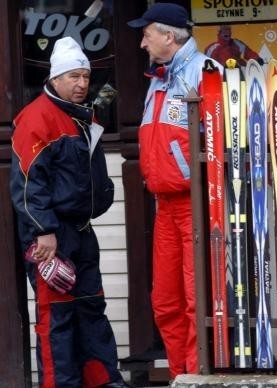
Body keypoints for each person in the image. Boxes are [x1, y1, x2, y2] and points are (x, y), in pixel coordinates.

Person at [10, 37, 127, 388]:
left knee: (92, 308)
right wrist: (42, 230)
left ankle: (103, 381)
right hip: (51, 235)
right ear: (56, 78)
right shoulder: (36, 118)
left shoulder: (81, 115)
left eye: (85, 77)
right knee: (57, 316)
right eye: (73, 76)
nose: (81, 84)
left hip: (81, 229)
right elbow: (28, 184)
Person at [127, 3, 221, 379]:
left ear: (168, 35)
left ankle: (196, 377)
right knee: (165, 301)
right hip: (164, 204)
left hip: (196, 203)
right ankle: (181, 375)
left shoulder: (203, 71)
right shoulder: (158, 76)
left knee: (195, 298)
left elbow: (217, 141)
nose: (142, 43)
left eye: (146, 34)